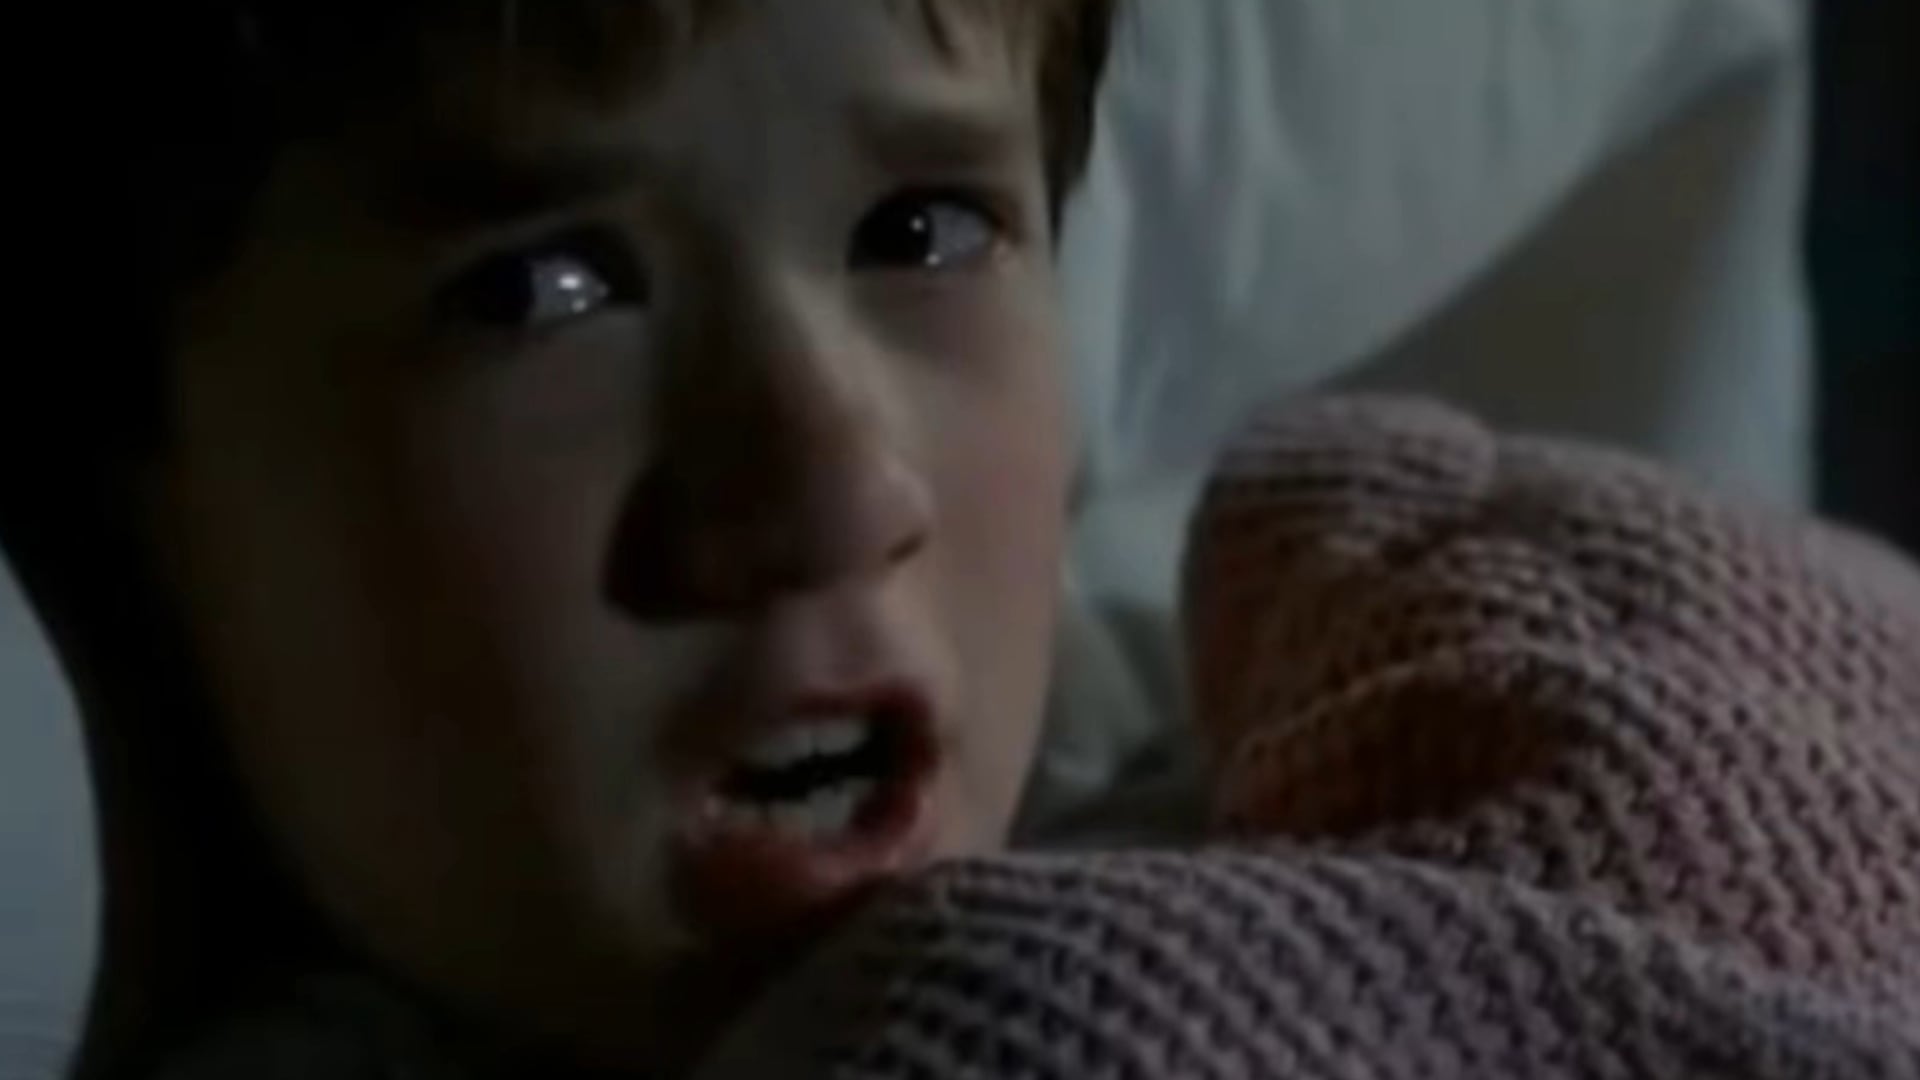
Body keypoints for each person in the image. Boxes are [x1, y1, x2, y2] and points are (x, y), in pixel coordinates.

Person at [8, 1, 1918, 1077]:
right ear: (136, 475)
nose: (836, 490)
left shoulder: (1285, 729)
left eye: (922, 233)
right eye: (546, 289)